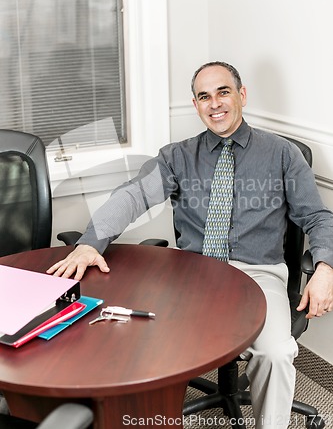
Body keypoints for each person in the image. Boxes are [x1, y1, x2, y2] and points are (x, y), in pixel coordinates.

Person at [47, 61, 333, 428]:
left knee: (277, 353)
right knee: (138, 338)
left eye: (223, 92)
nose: (215, 104)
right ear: (196, 105)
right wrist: (91, 243)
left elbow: (319, 217)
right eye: (204, 96)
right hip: (192, 274)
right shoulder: (177, 157)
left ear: (241, 95)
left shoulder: (281, 154)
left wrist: (324, 268)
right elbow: (132, 196)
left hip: (259, 274)